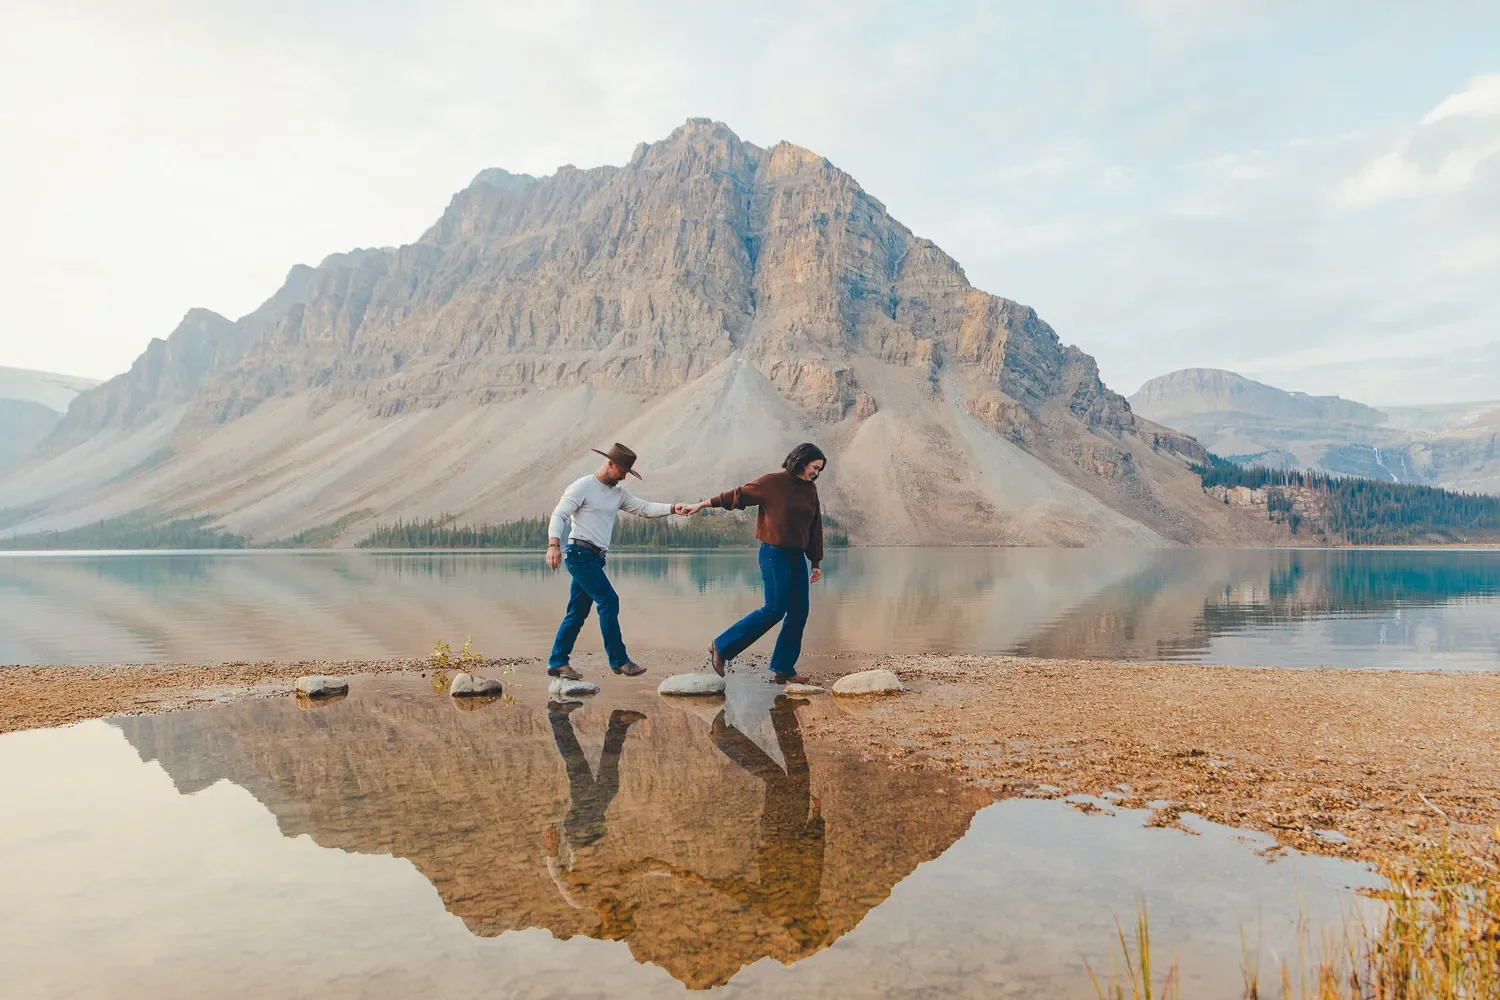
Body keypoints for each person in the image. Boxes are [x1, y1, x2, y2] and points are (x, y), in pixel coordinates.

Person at [677, 443, 826, 685]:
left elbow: (814, 525)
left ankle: (783, 667)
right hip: (773, 553)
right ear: (802, 460)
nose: (816, 473)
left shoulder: (811, 490)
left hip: (797, 557)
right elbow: (738, 495)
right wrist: (701, 505)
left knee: (799, 612)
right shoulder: (772, 483)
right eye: (814, 467)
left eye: (819, 470)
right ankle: (721, 645)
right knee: (775, 609)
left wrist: (816, 561)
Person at [546, 443, 682, 679]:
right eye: (622, 472)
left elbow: (645, 508)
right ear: (610, 464)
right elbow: (559, 514)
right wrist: (553, 546)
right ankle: (619, 660)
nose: (623, 477)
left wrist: (673, 508)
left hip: (595, 559)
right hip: (579, 554)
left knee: (577, 613)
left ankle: (558, 661)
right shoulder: (583, 486)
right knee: (609, 600)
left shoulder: (618, 494)